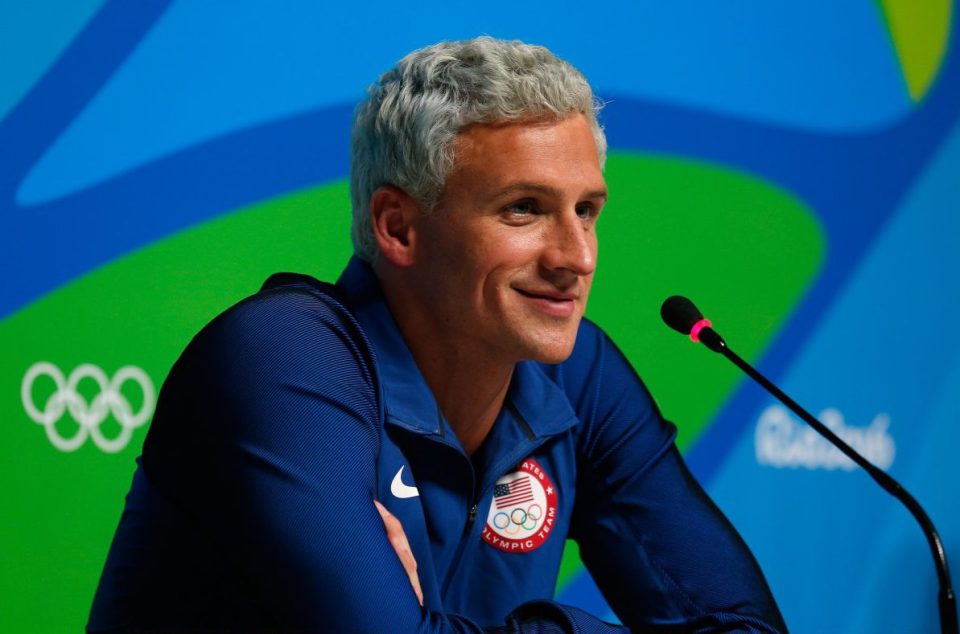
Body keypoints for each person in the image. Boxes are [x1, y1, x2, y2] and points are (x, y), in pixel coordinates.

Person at [88, 37, 786, 632]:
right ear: (398, 227)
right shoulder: (281, 358)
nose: (576, 257)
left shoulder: (576, 374)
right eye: (524, 209)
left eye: (587, 210)